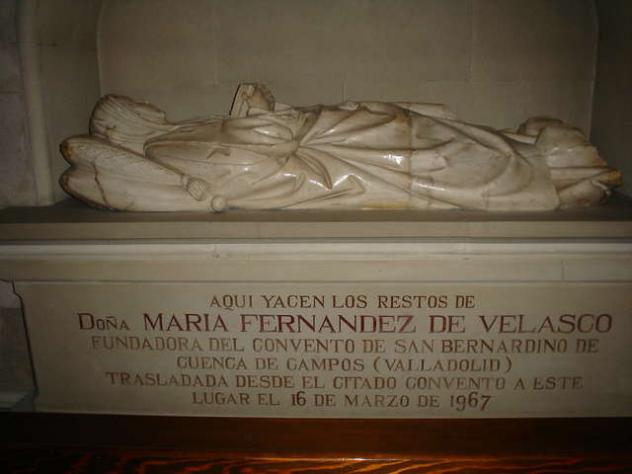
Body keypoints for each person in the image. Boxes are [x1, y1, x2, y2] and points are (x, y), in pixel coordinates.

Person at [60, 84, 621, 212]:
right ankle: (546, 171)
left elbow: (247, 144)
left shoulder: (174, 136)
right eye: (139, 106)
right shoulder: (168, 147)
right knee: (435, 154)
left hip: (333, 143)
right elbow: (248, 162)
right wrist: (260, 112)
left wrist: (260, 114)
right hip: (333, 164)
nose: (152, 106)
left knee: (429, 134)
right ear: (129, 123)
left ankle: (536, 158)